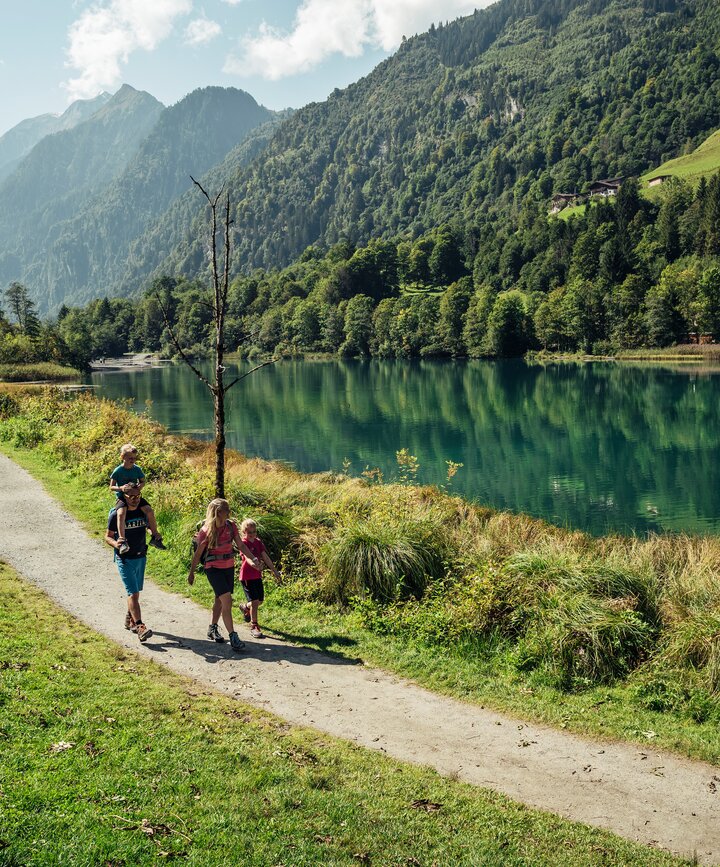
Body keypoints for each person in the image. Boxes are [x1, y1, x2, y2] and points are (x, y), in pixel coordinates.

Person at [187, 498, 262, 652]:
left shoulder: (231, 526)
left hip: (228, 567)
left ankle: (212, 628)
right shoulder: (206, 531)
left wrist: (252, 559)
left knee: (219, 600)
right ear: (219, 512)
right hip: (213, 568)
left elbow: (240, 545)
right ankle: (233, 637)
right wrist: (191, 573)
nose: (229, 511)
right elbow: (198, 554)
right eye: (226, 509)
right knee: (227, 601)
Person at [105, 487, 154, 642]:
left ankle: (130, 620)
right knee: (132, 593)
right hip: (124, 558)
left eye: (137, 495)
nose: (135, 499)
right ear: (124, 497)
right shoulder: (116, 514)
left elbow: (147, 527)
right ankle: (140, 627)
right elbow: (107, 537)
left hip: (140, 556)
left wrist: (153, 533)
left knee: (136, 592)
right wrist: (117, 544)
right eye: (131, 496)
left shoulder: (142, 511)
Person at [109, 443, 166, 555]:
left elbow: (143, 481)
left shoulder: (137, 469)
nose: (133, 460)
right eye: (130, 458)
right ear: (122, 457)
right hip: (123, 497)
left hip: (136, 496)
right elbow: (111, 486)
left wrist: (140, 486)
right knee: (121, 514)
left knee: (149, 510)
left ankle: (155, 536)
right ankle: (122, 540)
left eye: (134, 458)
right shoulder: (118, 470)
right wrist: (121, 488)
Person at [238, 518, 281, 639]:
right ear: (244, 532)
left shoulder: (258, 542)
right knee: (255, 602)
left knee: (259, 601)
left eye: (254, 531)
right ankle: (254, 626)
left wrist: (274, 570)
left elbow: (265, 557)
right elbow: (248, 558)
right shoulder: (243, 543)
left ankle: (245, 607)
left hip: (257, 576)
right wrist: (255, 566)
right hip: (247, 576)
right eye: (249, 532)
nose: (252, 534)